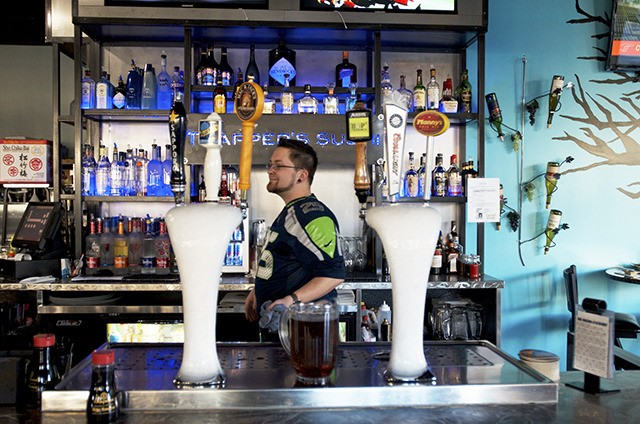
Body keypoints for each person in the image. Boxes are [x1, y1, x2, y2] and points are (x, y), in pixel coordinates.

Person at [244, 137, 346, 325]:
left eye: (278, 166)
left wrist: (290, 300)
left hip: (304, 330)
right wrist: (257, 290)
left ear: (301, 176)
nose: (270, 171)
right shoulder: (292, 211)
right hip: (282, 324)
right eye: (270, 165)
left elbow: (333, 275)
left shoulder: (312, 216)